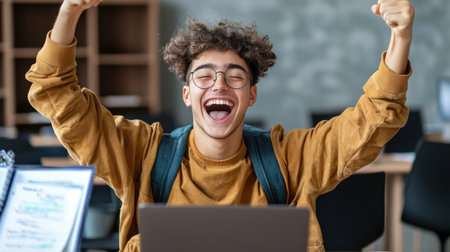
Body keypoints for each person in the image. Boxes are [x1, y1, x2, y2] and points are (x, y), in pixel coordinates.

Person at [26, 0, 414, 251]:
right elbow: (56, 95)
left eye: (235, 77)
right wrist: (69, 12)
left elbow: (370, 123)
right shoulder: (141, 153)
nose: (220, 85)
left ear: (251, 96)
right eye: (204, 76)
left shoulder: (290, 159)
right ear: (186, 94)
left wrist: (400, 39)